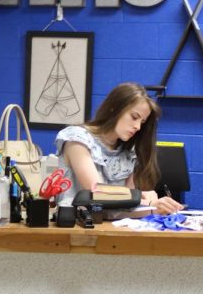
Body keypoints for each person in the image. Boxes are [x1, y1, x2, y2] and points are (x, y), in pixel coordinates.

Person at [54, 82, 184, 214]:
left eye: (142, 122)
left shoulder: (129, 151)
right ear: (114, 108)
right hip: (76, 227)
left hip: (114, 226)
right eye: (134, 117)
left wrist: (149, 203)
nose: (138, 127)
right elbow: (97, 191)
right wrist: (144, 200)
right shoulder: (77, 138)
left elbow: (126, 205)